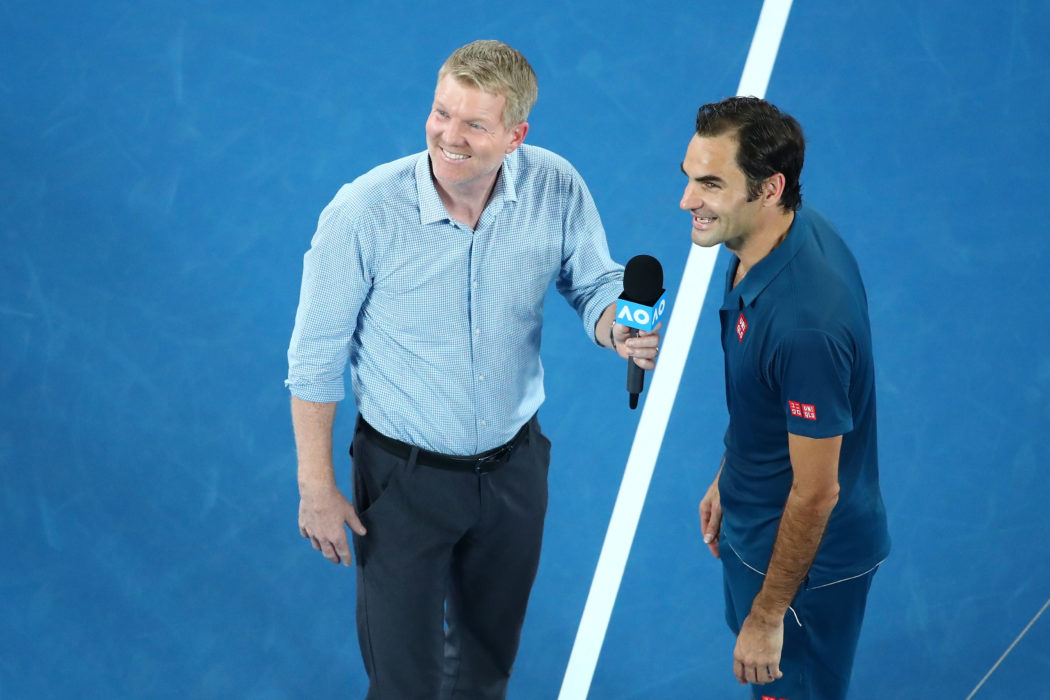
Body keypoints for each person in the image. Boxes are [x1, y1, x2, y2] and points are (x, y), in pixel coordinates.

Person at [285, 40, 660, 700]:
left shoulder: (555, 186)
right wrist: (316, 485)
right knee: (404, 684)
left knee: (485, 671)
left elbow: (594, 280)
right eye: (441, 113)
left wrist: (616, 328)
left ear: (516, 136)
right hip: (402, 483)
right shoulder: (363, 213)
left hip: (515, 472)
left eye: (474, 124)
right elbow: (314, 358)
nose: (448, 136)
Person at [682, 97, 890, 699]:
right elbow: (768, 399)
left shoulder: (804, 325)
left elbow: (818, 491)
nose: (687, 201)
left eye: (711, 184)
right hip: (757, 522)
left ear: (769, 188)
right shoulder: (771, 237)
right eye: (690, 178)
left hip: (801, 572)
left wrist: (770, 614)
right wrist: (731, 472)